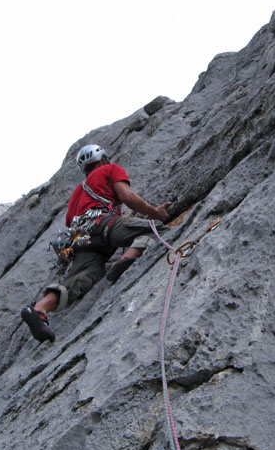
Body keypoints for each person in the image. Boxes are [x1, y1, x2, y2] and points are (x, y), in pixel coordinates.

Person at [20, 144, 171, 343]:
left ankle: (39, 308)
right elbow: (127, 196)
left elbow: (70, 223)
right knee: (154, 229)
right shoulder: (110, 169)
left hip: (82, 241)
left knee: (85, 276)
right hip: (105, 224)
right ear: (103, 159)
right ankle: (126, 259)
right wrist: (155, 213)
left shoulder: (76, 194)